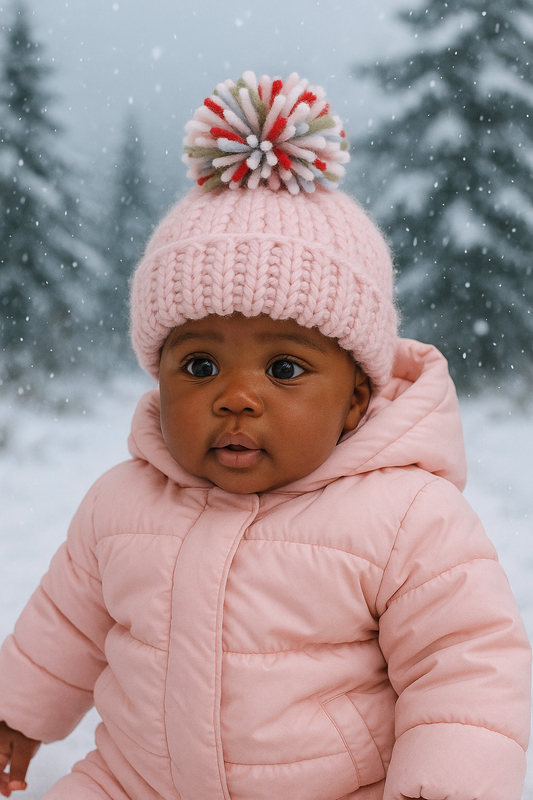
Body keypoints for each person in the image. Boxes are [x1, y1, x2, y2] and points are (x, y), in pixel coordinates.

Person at [0, 71, 530, 800]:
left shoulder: (407, 518)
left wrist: (441, 785)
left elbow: (465, 667)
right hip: (133, 783)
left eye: (283, 367)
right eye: (199, 364)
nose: (236, 397)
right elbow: (62, 629)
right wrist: (15, 717)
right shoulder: (120, 504)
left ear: (355, 399)